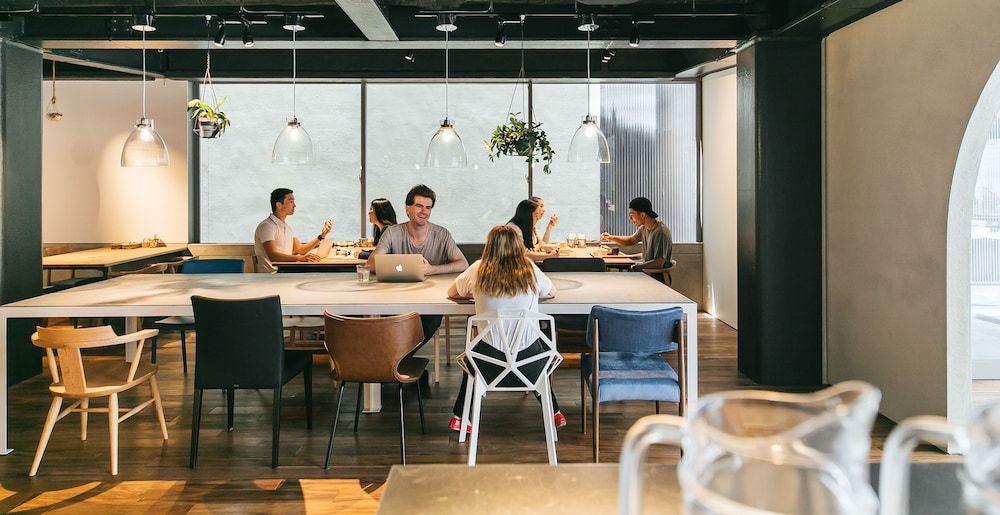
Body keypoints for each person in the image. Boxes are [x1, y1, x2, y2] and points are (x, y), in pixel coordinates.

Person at [447, 225, 566, 431]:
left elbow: (452, 292)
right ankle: (553, 411)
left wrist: (475, 292)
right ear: (518, 246)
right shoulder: (529, 269)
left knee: (472, 354)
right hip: (529, 366)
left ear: (489, 246)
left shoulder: (478, 268)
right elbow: (551, 292)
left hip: (488, 366)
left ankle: (461, 417)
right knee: (537, 349)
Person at [367, 184, 469, 342]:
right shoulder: (392, 232)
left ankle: (399, 360)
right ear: (407, 209)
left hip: (430, 299)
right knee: (389, 321)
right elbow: (371, 263)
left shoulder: (441, 234)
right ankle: (400, 360)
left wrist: (431, 269)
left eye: (428, 207)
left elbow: (463, 264)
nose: (424, 212)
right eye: (419, 206)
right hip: (397, 297)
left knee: (431, 320)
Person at [253, 188, 332, 273]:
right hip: (273, 276)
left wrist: (322, 235)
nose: (294, 205)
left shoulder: (287, 228)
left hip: (285, 272)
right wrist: (300, 258)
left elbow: (301, 250)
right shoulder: (267, 226)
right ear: (279, 205)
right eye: (291, 202)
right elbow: (273, 256)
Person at [600, 196, 672, 282]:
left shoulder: (660, 232)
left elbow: (659, 263)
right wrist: (611, 237)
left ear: (642, 215)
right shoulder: (644, 228)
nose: (631, 219)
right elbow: (631, 240)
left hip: (655, 278)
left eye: (632, 216)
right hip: (645, 273)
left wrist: (636, 267)